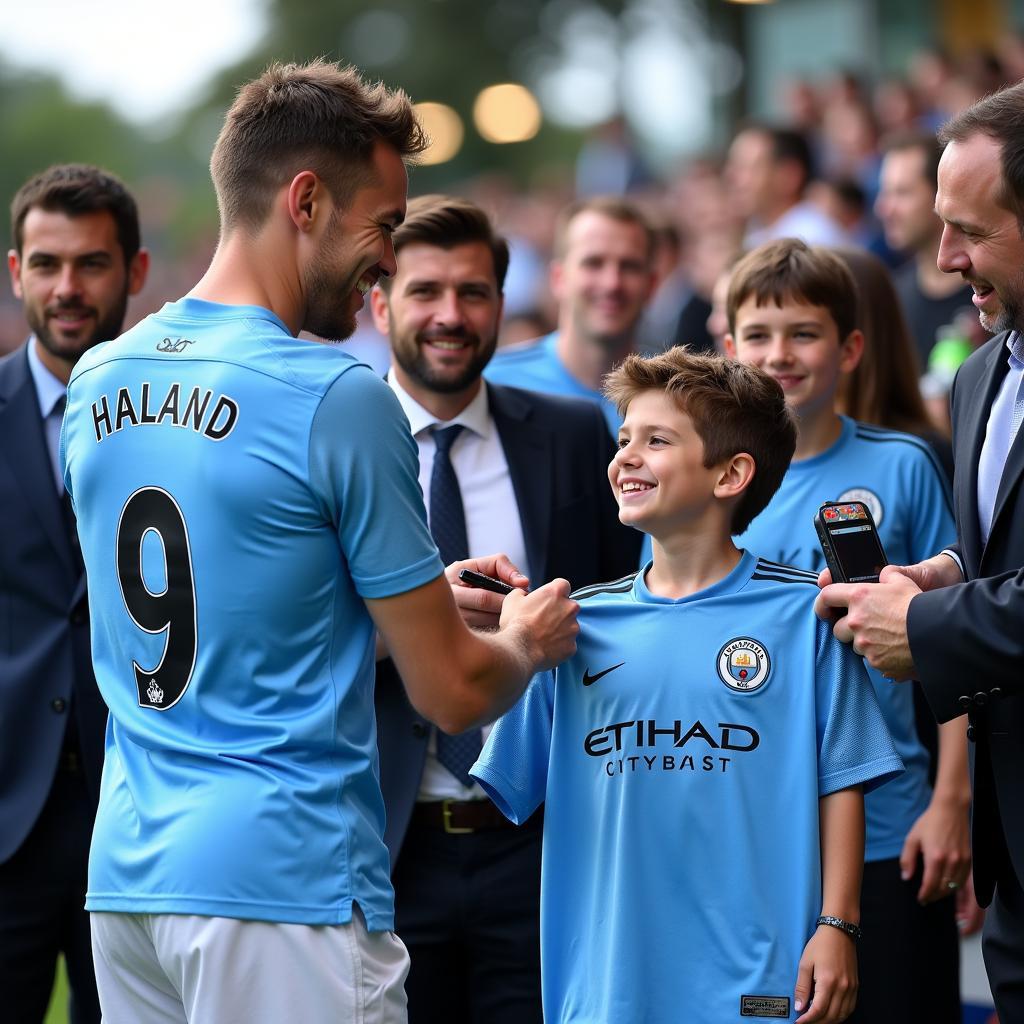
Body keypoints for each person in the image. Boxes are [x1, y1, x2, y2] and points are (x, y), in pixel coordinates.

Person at [60, 60, 579, 1024]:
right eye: (383, 224)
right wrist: (524, 642)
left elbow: (224, 600)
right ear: (306, 201)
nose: (388, 256)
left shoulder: (98, 377)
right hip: (284, 885)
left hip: (130, 881)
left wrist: (398, 609)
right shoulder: (337, 396)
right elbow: (454, 692)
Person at [472, 347, 904, 1024]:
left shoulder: (806, 615)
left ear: (731, 474)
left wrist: (838, 925)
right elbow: (505, 787)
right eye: (622, 440)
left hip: (758, 989)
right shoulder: (568, 625)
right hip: (606, 990)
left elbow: (841, 782)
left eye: (657, 439)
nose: (625, 458)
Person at [369, 195, 640, 1023]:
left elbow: (626, 613)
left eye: (474, 292)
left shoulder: (573, 433)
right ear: (381, 303)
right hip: (385, 845)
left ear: (504, 300)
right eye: (425, 291)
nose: (450, 315)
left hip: (544, 838)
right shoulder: (335, 441)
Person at [816, 80, 1024, 1023]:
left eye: (971, 232)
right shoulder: (982, 373)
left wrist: (931, 622)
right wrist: (941, 574)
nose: (943, 259)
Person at [727, 239, 964, 1024]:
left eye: (804, 333)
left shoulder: (902, 466)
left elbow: (954, 639)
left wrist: (950, 799)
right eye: (759, 335)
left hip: (890, 822)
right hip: (756, 834)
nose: (780, 354)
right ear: (729, 348)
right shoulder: (704, 480)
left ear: (851, 347)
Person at [1, 163, 149, 1024]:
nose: (67, 288)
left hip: (137, 806)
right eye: (47, 263)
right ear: (16, 271)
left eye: (91, 264)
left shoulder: (180, 422)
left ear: (133, 272)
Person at [484, 196, 656, 434]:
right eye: (593, 263)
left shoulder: (676, 394)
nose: (612, 283)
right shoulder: (494, 386)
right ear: (558, 278)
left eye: (629, 266)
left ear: (653, 284)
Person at [874, 131, 974, 365]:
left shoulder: (993, 294)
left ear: (943, 195)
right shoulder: (893, 297)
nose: (883, 208)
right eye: (885, 192)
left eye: (901, 193)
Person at [725, 124, 849, 250]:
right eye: (733, 166)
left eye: (747, 168)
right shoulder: (756, 231)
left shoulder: (813, 241)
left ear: (790, 176)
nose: (732, 177)